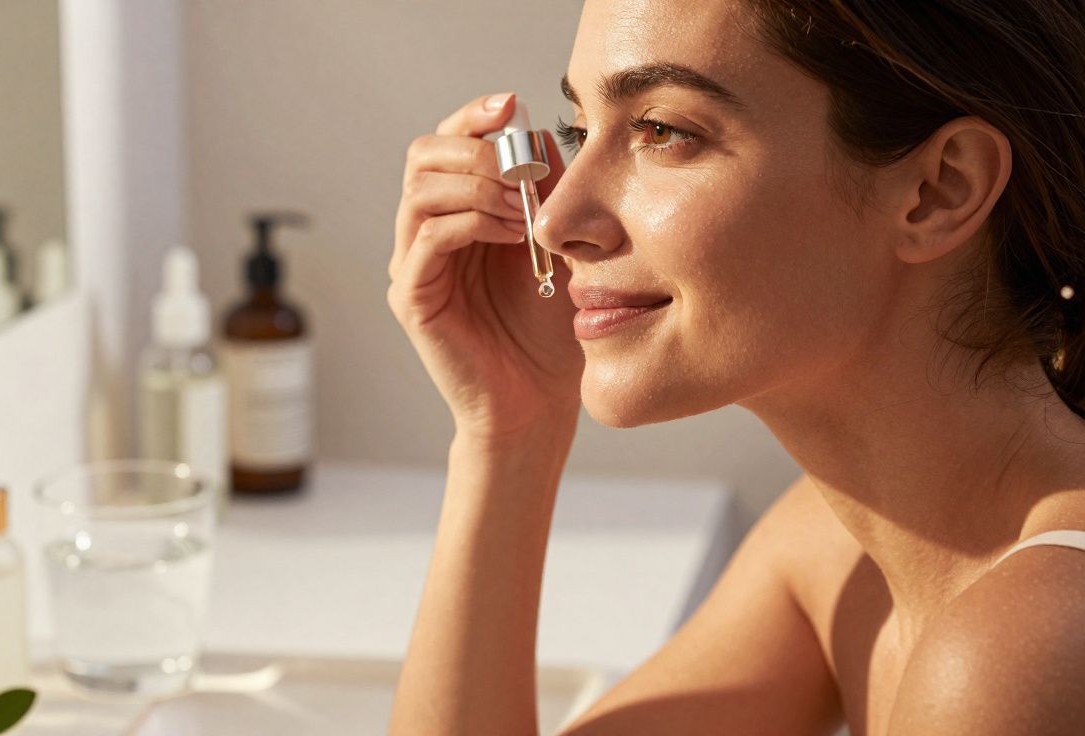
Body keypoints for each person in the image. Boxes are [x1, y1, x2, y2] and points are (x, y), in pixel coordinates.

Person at [385, 1, 1085, 733]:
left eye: (662, 132)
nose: (554, 222)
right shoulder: (842, 546)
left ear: (939, 189)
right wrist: (508, 426)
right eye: (579, 132)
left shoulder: (1017, 654)